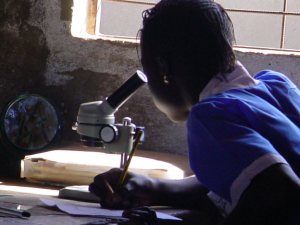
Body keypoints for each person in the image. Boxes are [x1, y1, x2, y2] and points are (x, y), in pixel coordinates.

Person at [89, 0, 300, 224]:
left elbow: (280, 192)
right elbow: (247, 183)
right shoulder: (278, 87)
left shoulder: (210, 115)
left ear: (163, 68)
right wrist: (153, 187)